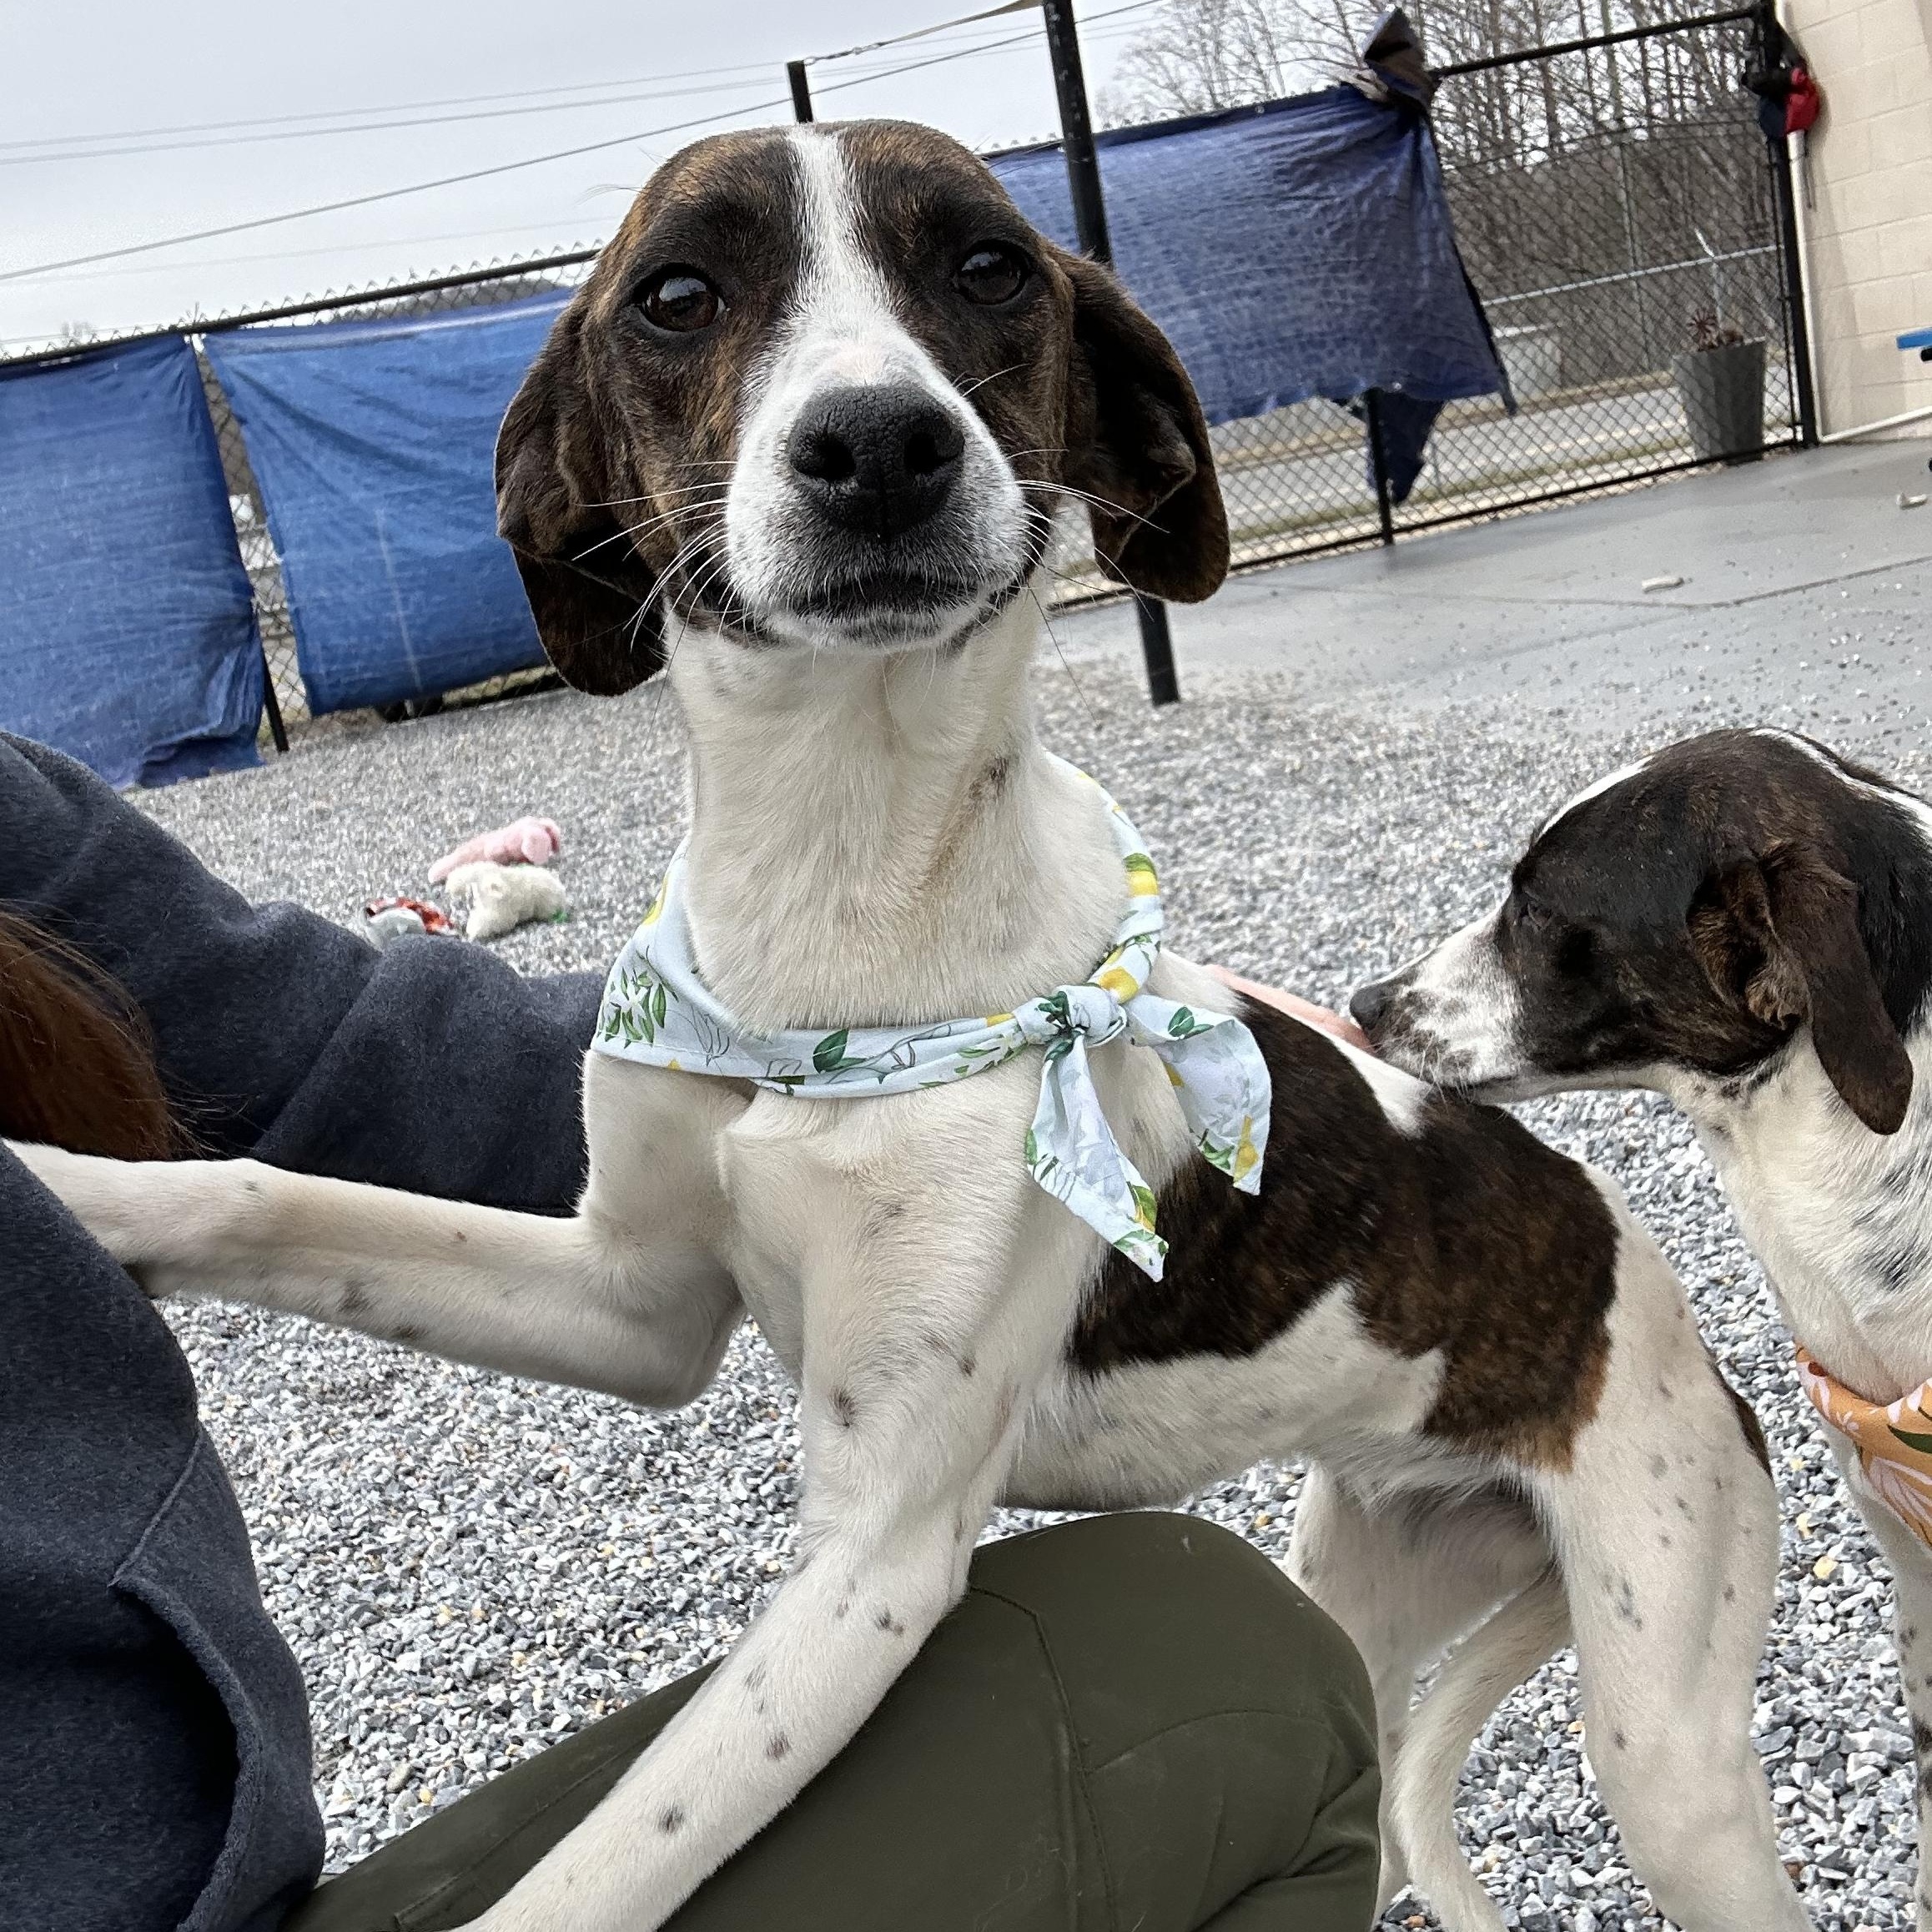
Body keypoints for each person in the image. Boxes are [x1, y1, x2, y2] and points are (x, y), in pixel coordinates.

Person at [0, 732, 1380, 1932]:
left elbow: (322, 1047)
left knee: (1223, 1652)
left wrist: (929, 1036)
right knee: (1260, 1699)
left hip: (222, 1869)